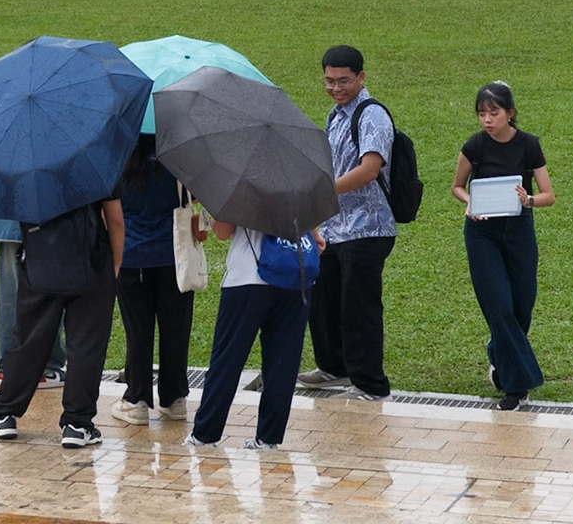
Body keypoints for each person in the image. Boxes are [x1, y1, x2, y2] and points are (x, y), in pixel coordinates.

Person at [0, 194, 125, 448]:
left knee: (29, 341)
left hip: (41, 265)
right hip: (91, 264)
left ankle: (3, 415)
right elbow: (115, 221)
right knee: (86, 346)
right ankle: (77, 425)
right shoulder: (93, 159)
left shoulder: (27, 165)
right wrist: (114, 268)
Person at [299, 44, 396, 400]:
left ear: (361, 77)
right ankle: (334, 367)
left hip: (368, 228)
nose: (335, 88)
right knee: (323, 300)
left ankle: (370, 383)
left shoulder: (372, 116)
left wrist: (325, 190)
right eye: (329, 81)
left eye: (343, 81)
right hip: (335, 227)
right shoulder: (335, 114)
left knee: (359, 308)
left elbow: (369, 170)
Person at [451, 81, 555, 410]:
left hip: (520, 230)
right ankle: (516, 386)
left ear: (510, 113)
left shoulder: (529, 146)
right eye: (481, 113)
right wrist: (470, 203)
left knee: (521, 307)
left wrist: (529, 200)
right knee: (499, 305)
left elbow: (548, 195)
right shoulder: (475, 146)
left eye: (493, 113)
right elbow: (456, 187)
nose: (487, 120)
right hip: (482, 234)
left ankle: (498, 354)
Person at [186, 221, 322, 451]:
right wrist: (315, 234)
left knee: (227, 359)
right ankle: (268, 439)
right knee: (283, 362)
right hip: (294, 275)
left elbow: (222, 231)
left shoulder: (239, 184)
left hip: (246, 278)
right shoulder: (300, 183)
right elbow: (311, 218)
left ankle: (204, 435)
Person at [110, 133, 197, 424]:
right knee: (176, 328)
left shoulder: (117, 158)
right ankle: (175, 398)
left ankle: (137, 399)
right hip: (175, 256)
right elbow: (194, 195)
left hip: (131, 257)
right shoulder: (181, 158)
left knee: (138, 331)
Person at [0, 217, 67, 387]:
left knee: (10, 287)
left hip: (7, 213)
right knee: (47, 287)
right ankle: (44, 368)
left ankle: (7, 366)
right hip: (45, 218)